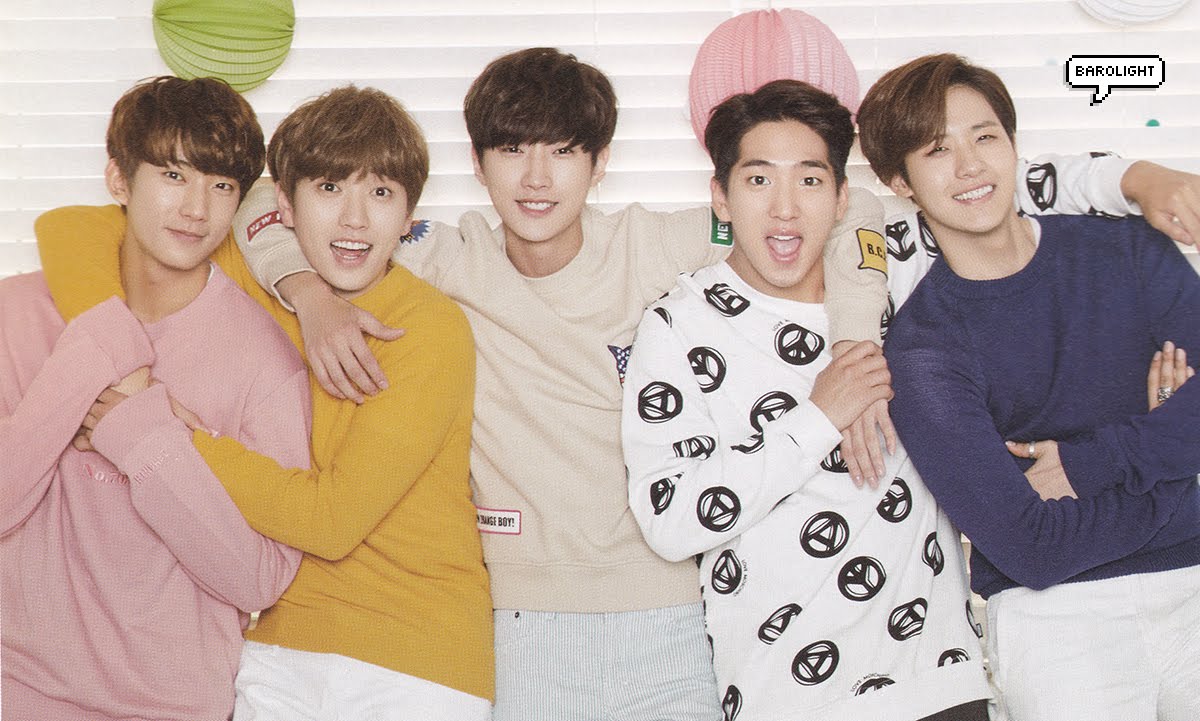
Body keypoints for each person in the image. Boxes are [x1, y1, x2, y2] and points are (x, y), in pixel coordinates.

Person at [182, 48, 1186, 718]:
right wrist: (307, 292)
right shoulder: (446, 254)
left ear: (600, 164)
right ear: (478, 167)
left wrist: (852, 345)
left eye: (563, 152)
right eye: (512, 152)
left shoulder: (666, 244)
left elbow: (886, 202)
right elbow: (269, 193)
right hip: (525, 620)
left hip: (685, 623)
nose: (537, 179)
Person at [34, 86, 493, 719]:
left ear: (409, 213)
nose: (355, 220)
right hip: (278, 650)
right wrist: (307, 293)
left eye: (381, 194)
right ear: (286, 205)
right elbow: (75, 229)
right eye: (329, 189)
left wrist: (163, 432)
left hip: (415, 657)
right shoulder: (258, 281)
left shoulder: (427, 329)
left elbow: (331, 522)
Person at [622, 78, 991, 721]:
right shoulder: (678, 326)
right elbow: (670, 520)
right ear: (721, 197)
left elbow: (1003, 197)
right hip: (785, 694)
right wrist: (817, 417)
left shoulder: (900, 285)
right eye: (759, 180)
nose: (786, 209)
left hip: (938, 680)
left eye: (811, 180)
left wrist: (1132, 180)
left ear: (841, 196)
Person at [858, 53, 1200, 720]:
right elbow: (1031, 548)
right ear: (899, 180)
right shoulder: (924, 349)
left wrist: (1095, 461)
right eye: (937, 150)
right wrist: (1171, 459)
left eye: (985, 136)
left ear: (1013, 144)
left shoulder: (1128, 249)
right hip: (1057, 622)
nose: (970, 166)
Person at [2, 76, 310, 720]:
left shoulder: (266, 360)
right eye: (173, 175)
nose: (197, 209)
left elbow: (261, 579)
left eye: (221, 186)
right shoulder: (17, 314)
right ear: (119, 179)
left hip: (171, 704)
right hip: (18, 688)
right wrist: (95, 354)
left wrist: (144, 434)